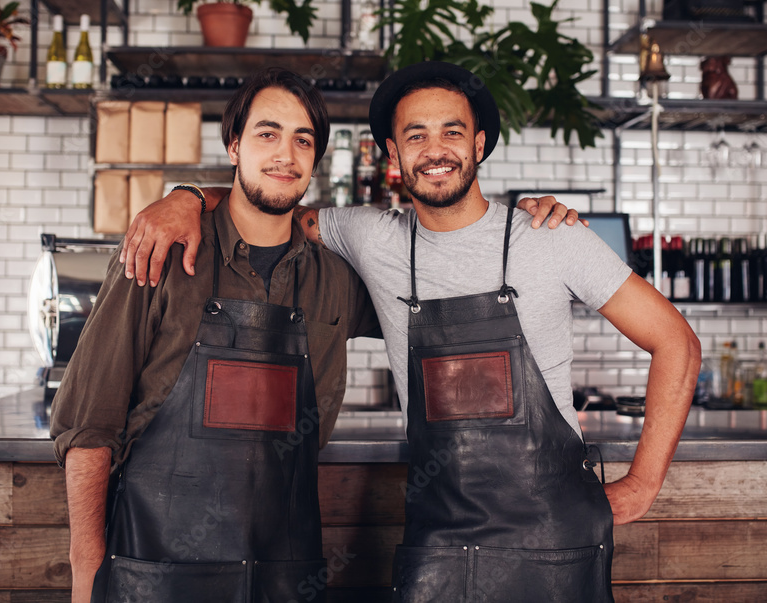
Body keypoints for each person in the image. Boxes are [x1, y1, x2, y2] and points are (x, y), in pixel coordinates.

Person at [122, 61, 700, 602]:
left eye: (452, 132)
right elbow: (271, 202)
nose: (436, 149)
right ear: (393, 152)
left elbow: (676, 341)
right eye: (416, 135)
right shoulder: (370, 236)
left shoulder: (550, 236)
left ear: (478, 144)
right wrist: (188, 197)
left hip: (557, 542)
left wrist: (644, 482)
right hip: (438, 544)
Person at [50, 67, 389, 603]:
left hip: (285, 570)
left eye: (304, 140)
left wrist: (530, 222)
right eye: (267, 133)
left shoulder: (337, 279)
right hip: (157, 571)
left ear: (316, 160)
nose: (286, 154)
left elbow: (435, 268)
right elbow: (89, 424)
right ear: (234, 146)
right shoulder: (158, 251)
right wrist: (87, 573)